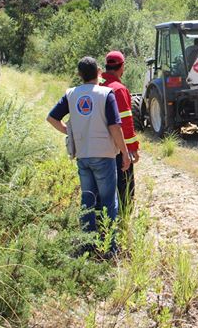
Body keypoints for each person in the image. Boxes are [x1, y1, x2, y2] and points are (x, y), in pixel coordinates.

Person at [47, 56, 131, 257]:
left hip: (82, 155)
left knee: (88, 199)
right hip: (104, 155)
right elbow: (114, 127)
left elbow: (51, 118)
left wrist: (70, 132)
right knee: (109, 202)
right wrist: (125, 152)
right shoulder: (106, 94)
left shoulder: (71, 94)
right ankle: (109, 248)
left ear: (79, 75)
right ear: (99, 72)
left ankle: (87, 244)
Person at [101, 50, 140, 210]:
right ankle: (125, 215)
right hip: (119, 147)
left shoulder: (100, 87)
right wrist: (132, 149)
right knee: (124, 184)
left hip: (103, 146)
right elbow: (126, 121)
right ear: (122, 66)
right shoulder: (119, 89)